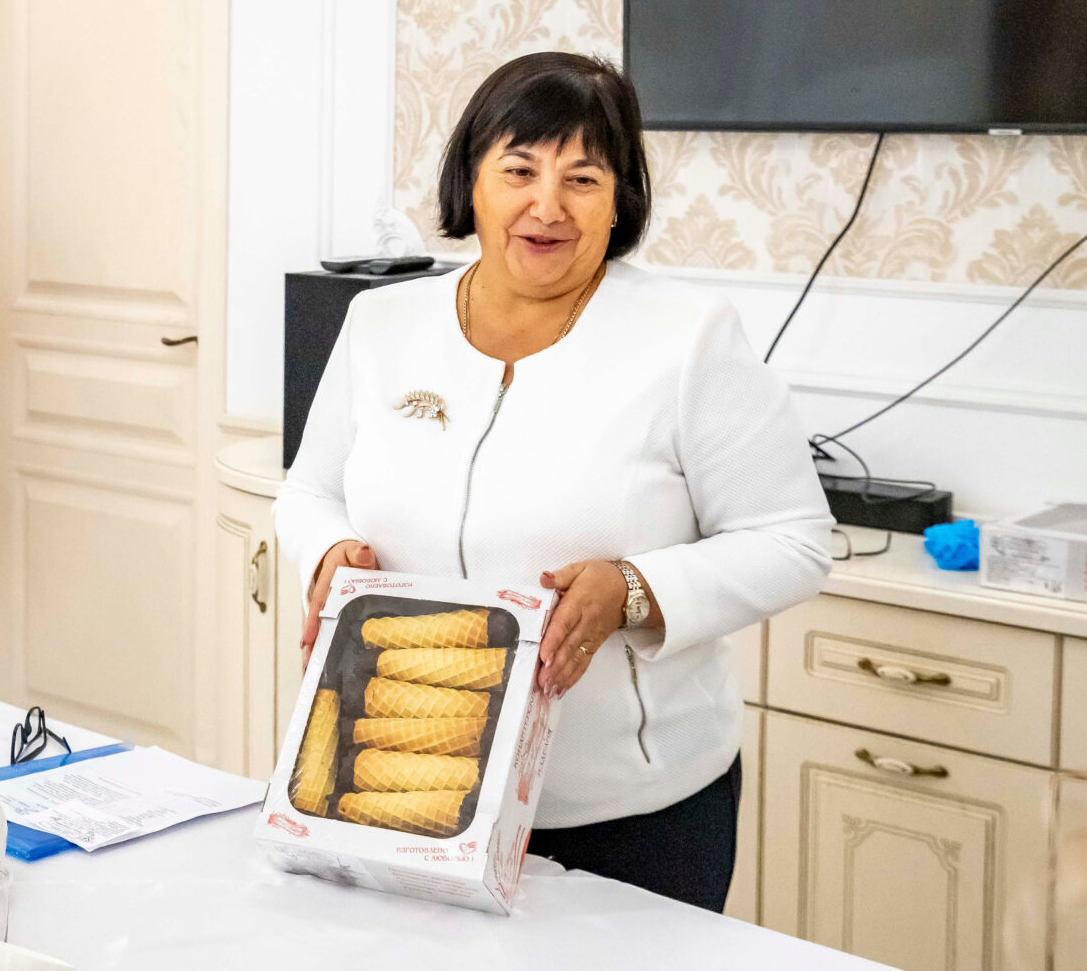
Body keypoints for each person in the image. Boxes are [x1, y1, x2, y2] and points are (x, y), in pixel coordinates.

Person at [273, 51, 832, 911]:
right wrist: (328, 550)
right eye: (520, 170)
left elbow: (795, 539)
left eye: (582, 178)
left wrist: (633, 590)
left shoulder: (688, 337)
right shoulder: (381, 322)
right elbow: (310, 492)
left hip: (627, 816)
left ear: (620, 201)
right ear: (472, 180)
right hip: (403, 788)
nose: (547, 206)